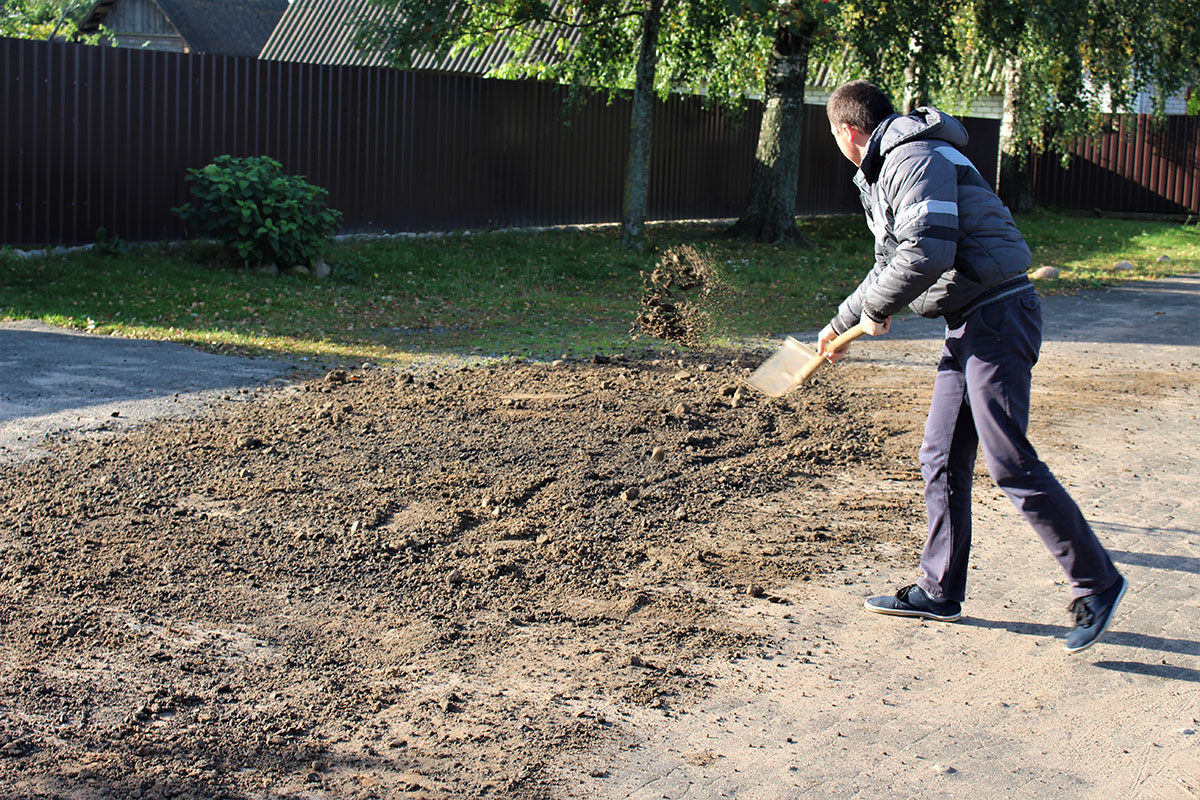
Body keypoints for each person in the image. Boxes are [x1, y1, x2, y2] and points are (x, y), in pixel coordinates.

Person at [817, 79, 1126, 653]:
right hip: (969, 320)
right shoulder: (892, 165)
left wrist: (882, 306)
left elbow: (927, 250)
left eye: (834, 135)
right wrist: (844, 321)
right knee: (939, 454)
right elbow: (896, 259)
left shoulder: (914, 157)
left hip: (998, 317)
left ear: (846, 131)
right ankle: (939, 590)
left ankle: (1098, 582)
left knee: (1009, 461)